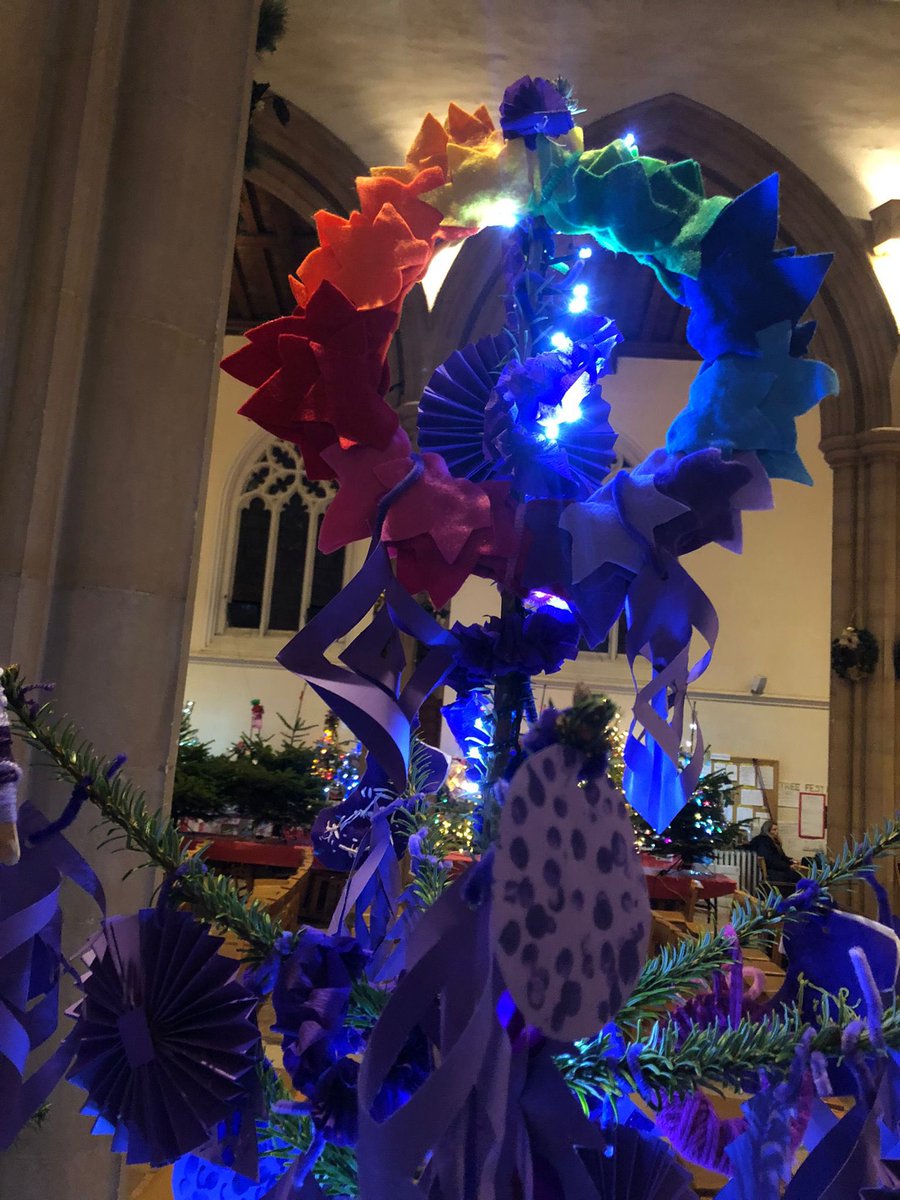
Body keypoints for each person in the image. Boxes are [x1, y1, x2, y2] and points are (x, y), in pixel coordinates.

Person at [747, 819, 801, 886]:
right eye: (774, 830)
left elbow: (781, 857)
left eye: (777, 829)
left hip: (773, 869)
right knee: (797, 876)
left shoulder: (771, 841)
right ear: (767, 831)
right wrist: (788, 866)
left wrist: (792, 861)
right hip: (770, 872)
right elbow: (771, 861)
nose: (777, 832)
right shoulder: (764, 842)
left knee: (796, 875)